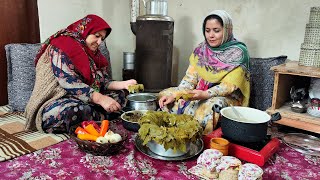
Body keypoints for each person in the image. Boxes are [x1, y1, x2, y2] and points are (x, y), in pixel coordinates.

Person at [24, 14, 137, 133]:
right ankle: (103, 115)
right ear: (84, 30)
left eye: (102, 39)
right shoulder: (62, 44)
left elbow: (102, 82)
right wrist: (101, 100)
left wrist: (124, 84)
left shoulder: (95, 55)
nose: (99, 42)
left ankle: (97, 115)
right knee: (71, 111)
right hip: (58, 99)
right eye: (97, 36)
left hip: (85, 98)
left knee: (123, 95)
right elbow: (68, 82)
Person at [158, 10, 250, 134]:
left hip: (225, 97)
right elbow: (190, 78)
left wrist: (205, 94)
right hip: (199, 92)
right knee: (165, 94)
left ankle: (198, 139)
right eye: (207, 30)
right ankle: (173, 129)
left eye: (216, 31)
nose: (211, 35)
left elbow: (229, 86)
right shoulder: (201, 50)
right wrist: (178, 94)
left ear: (227, 30)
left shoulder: (238, 52)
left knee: (209, 107)